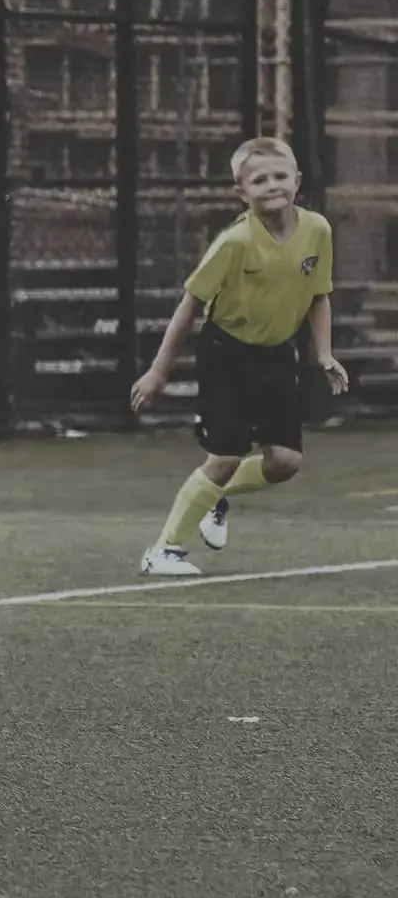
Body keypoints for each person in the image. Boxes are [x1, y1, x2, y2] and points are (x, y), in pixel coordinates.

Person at [129, 136, 351, 576]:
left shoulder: (318, 230)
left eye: (280, 176)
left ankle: (217, 497)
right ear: (241, 192)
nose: (272, 185)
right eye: (259, 179)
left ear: (297, 181)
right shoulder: (235, 242)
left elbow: (319, 296)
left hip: (276, 355)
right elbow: (189, 305)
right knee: (225, 457)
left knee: (285, 463)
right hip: (225, 353)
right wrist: (158, 371)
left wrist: (323, 354)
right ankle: (163, 551)